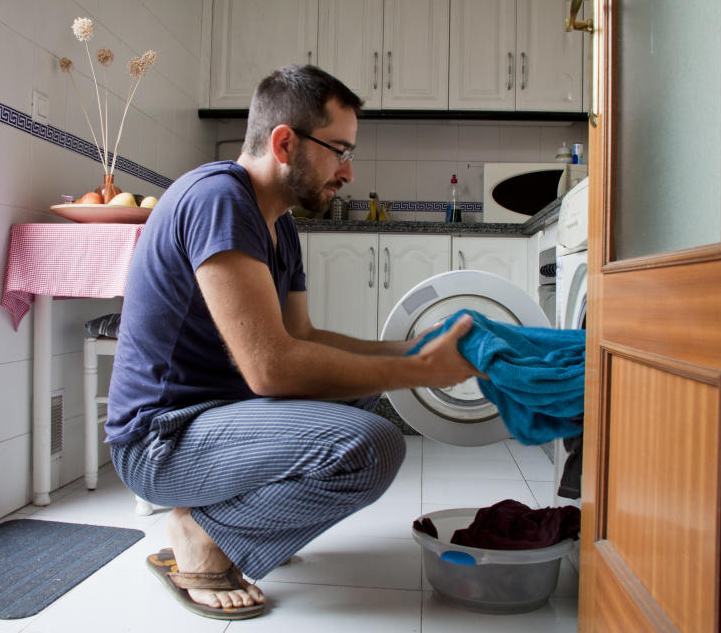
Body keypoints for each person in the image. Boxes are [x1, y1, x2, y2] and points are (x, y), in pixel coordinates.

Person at [105, 64, 480, 620]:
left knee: (354, 393)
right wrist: (422, 370)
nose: (349, 171)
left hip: (218, 418)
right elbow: (271, 370)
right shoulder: (219, 200)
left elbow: (302, 338)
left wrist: (414, 348)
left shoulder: (279, 223)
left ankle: (231, 525)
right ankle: (200, 534)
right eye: (340, 151)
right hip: (161, 439)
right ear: (285, 142)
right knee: (374, 446)